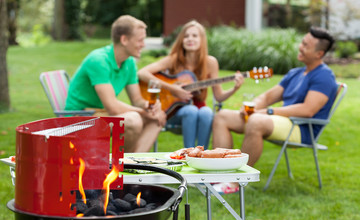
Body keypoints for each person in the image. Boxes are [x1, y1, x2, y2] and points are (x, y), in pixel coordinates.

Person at [212, 26, 337, 193]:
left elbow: (307, 110)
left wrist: (267, 112)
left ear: (319, 54)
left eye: (306, 45)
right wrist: (252, 106)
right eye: (302, 42)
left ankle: (235, 183)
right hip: (283, 122)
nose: (300, 46)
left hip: (302, 128)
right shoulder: (295, 73)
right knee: (223, 116)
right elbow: (268, 97)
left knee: (256, 121)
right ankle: (218, 175)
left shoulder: (324, 76)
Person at [65, 15, 166, 153]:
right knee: (133, 120)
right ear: (124, 40)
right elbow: (112, 107)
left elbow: (136, 100)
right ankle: (122, 166)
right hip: (80, 118)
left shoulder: (129, 63)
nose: (144, 45)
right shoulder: (98, 60)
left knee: (157, 119)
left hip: (100, 114)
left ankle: (131, 165)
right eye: (140, 40)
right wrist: (143, 112)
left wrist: (149, 107)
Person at [138, 20, 244, 149]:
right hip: (173, 111)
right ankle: (188, 154)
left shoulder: (210, 62)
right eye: (186, 36)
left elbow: (219, 96)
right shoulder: (174, 59)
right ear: (181, 40)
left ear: (202, 40)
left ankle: (202, 154)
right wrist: (173, 89)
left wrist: (235, 88)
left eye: (194, 36)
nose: (190, 39)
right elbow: (142, 73)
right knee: (191, 111)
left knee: (206, 112)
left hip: (200, 109)